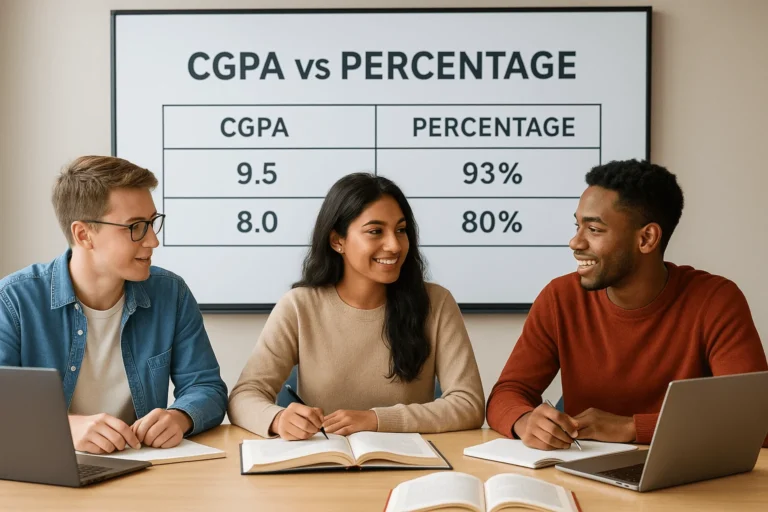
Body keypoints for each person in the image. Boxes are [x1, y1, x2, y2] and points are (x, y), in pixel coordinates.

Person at [486, 159, 768, 449]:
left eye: (594, 230)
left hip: (690, 479)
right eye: (577, 225)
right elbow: (507, 393)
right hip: (586, 474)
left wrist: (631, 427)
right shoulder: (560, 298)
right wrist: (525, 420)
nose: (575, 242)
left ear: (646, 238)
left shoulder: (715, 301)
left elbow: (756, 419)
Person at [228, 173, 484, 439]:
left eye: (400, 230)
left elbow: (469, 404)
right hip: (322, 464)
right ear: (337, 241)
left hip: (410, 467)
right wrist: (279, 419)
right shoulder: (299, 307)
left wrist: (376, 419)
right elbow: (244, 397)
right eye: (375, 231)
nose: (394, 245)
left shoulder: (437, 303)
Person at [0, 156, 227, 454]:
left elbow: (207, 387)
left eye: (152, 223)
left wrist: (180, 417)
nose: (153, 241)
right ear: (84, 235)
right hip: (48, 473)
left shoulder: (170, 293)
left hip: (142, 471)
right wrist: (63, 426)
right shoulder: (14, 300)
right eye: (136, 227)